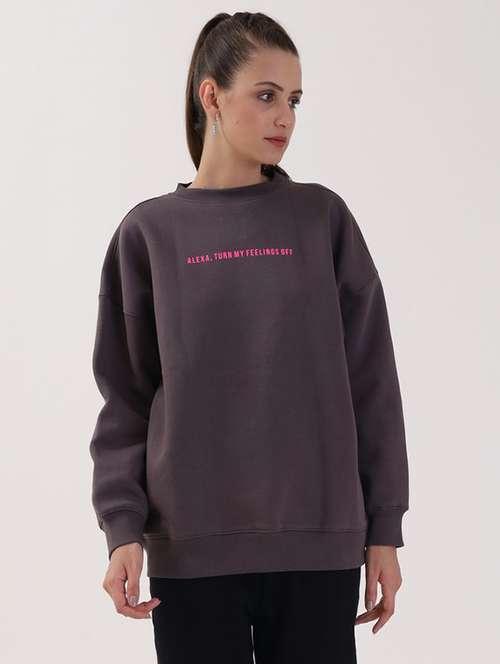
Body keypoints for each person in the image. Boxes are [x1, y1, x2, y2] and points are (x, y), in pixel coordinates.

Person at [89, 11, 409, 664]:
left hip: (318, 545)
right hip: (191, 549)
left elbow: (372, 382)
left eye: (293, 100)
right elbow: (126, 398)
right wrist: (122, 529)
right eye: (266, 96)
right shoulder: (149, 234)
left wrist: (385, 528)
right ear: (211, 96)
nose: (284, 117)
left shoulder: (321, 219)